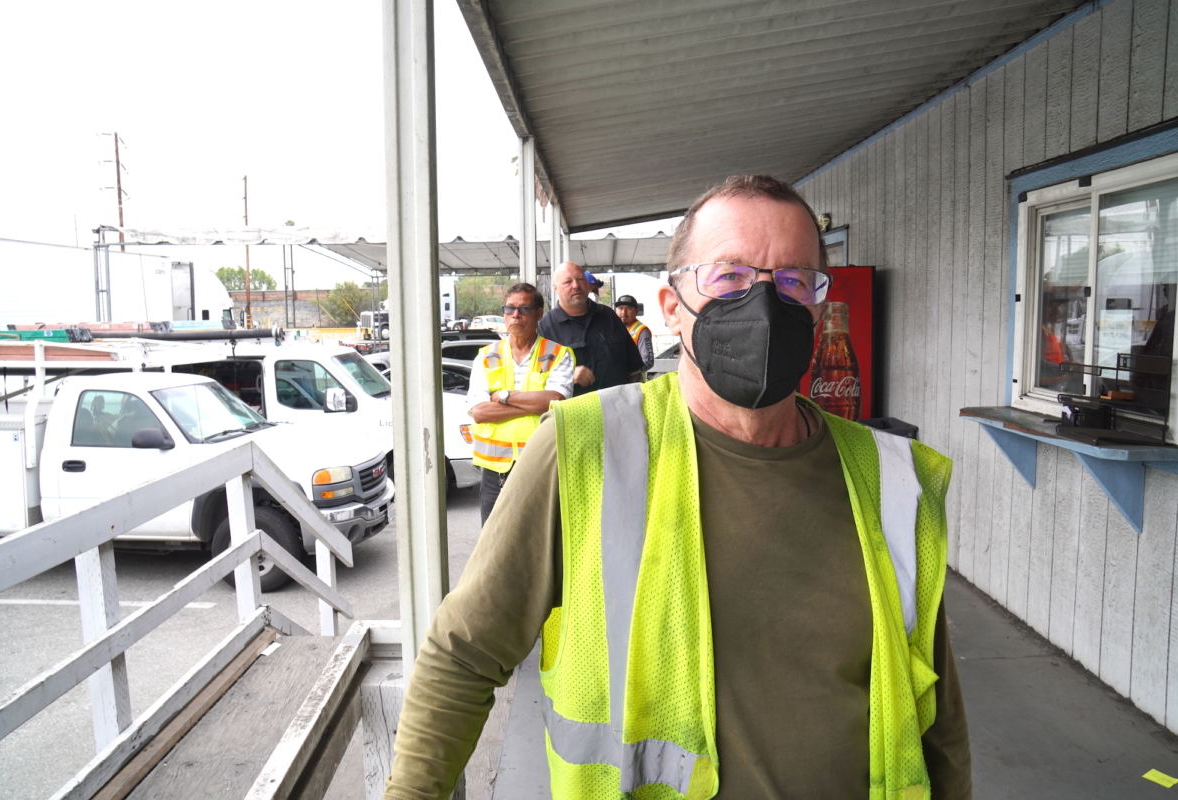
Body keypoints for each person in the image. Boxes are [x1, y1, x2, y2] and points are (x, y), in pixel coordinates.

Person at [385, 175, 971, 800]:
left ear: (819, 307)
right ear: (671, 307)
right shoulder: (583, 449)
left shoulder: (893, 481)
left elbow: (938, 720)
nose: (764, 304)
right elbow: (463, 656)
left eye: (794, 281)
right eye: (729, 276)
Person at [465, 282, 574, 524]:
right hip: (495, 470)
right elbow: (480, 412)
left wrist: (504, 397)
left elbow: (554, 400)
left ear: (538, 314)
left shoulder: (558, 354)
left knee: (536, 540)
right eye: (510, 309)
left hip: (541, 464)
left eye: (524, 309)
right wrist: (532, 403)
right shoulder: (486, 355)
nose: (516, 315)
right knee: (493, 540)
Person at [538, 261, 644, 396]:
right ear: (555, 288)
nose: (575, 286)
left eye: (580, 279)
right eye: (567, 282)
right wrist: (568, 375)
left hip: (618, 408)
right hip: (575, 413)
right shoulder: (545, 328)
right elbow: (537, 379)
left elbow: (634, 368)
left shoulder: (608, 316)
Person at [615, 293, 654, 373]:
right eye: (620, 308)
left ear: (637, 311)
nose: (624, 312)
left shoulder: (641, 331)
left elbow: (648, 362)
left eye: (629, 308)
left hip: (634, 383)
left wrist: (629, 374)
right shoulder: (615, 329)